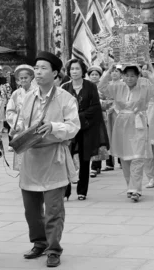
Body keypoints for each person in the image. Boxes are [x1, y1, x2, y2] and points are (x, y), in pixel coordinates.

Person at [14, 52, 79, 268]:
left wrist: (54, 126)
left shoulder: (66, 98)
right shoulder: (27, 97)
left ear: (54, 73)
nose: (38, 72)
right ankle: (39, 242)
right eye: (36, 67)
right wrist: (18, 134)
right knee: (31, 209)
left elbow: (73, 127)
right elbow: (22, 122)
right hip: (31, 157)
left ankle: (53, 248)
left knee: (53, 209)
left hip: (53, 157)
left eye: (43, 68)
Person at [98, 62, 154, 202]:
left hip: (138, 122)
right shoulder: (117, 86)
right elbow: (101, 87)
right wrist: (108, 70)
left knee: (138, 156)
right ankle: (130, 186)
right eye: (126, 75)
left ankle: (136, 189)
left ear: (138, 76)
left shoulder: (144, 86)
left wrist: (152, 73)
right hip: (122, 123)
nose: (129, 78)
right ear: (122, 76)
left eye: (133, 76)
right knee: (125, 157)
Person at [62, 59, 108, 200]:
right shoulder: (64, 87)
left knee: (84, 158)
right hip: (69, 128)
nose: (74, 71)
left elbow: (94, 107)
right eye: (72, 69)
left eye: (77, 69)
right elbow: (61, 107)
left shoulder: (90, 87)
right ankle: (66, 191)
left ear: (82, 71)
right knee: (66, 157)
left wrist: (78, 116)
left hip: (86, 127)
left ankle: (82, 190)